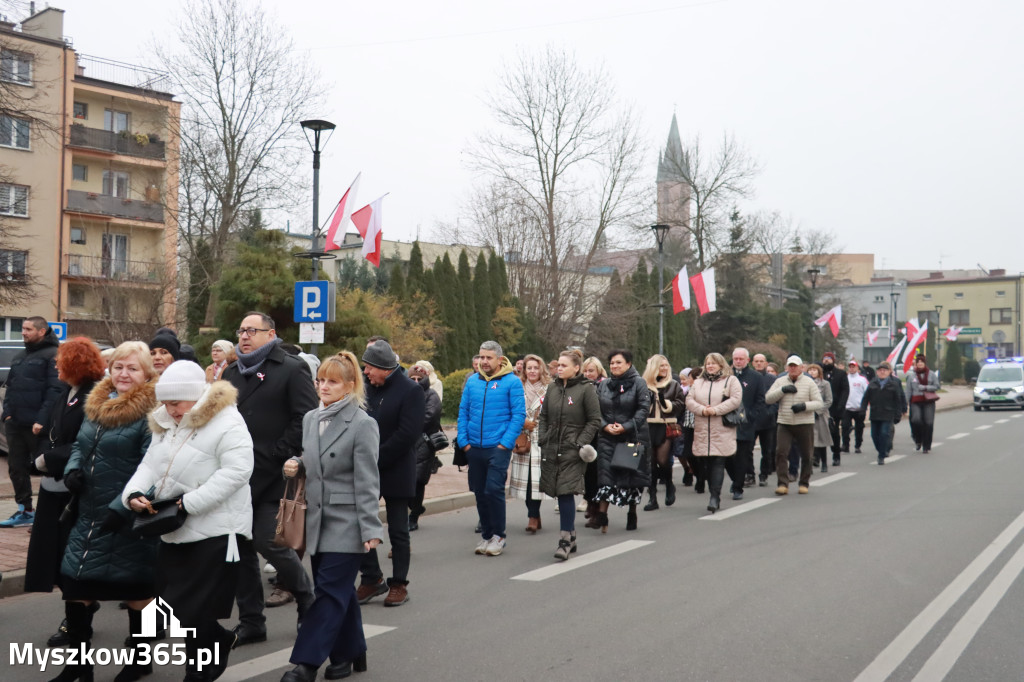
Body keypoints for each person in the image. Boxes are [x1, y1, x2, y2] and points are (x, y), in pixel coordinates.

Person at [122, 361, 254, 681]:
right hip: (175, 529)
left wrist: (189, 503)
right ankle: (216, 646)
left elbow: (237, 471)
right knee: (189, 612)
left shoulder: (227, 421)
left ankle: (198, 671)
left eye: (176, 403)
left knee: (186, 608)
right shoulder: (166, 420)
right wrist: (134, 493)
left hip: (217, 529)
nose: (171, 410)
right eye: (165, 403)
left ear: (196, 396)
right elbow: (150, 465)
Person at [54, 341, 161, 682]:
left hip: (128, 514)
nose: (124, 373)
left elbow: (155, 467)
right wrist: (72, 468)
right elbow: (82, 444)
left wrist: (122, 506)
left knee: (137, 592)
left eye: (132, 368)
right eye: (118, 367)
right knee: (75, 586)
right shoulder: (98, 402)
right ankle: (78, 666)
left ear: (146, 373)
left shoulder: (152, 413)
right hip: (87, 511)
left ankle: (140, 661)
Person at [279, 353, 384, 682]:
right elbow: (317, 459)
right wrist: (298, 463)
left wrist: (370, 528)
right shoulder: (311, 418)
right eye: (320, 380)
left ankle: (306, 664)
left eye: (332, 381)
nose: (323, 386)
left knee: (327, 592)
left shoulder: (363, 424)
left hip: (348, 521)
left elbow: (368, 481)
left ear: (350, 386)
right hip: (316, 520)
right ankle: (351, 651)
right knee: (339, 591)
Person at [223, 311, 318, 646]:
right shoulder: (232, 371)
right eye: (241, 330)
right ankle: (252, 621)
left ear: (270, 333)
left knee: (267, 539)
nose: (245, 336)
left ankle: (306, 598)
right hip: (237, 474)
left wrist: (281, 451)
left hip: (275, 472)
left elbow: (305, 415)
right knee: (241, 548)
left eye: (252, 330)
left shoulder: (291, 368)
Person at [26, 338, 105, 648]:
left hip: (75, 488)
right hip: (52, 486)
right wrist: (42, 456)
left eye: (61, 360)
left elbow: (88, 441)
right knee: (52, 556)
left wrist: (50, 460)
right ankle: (81, 608)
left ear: (76, 363)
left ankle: (76, 619)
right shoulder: (66, 393)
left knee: (71, 560)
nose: (56, 364)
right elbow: (51, 433)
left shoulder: (93, 396)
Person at [355, 340, 424, 607]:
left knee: (398, 529)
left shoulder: (410, 390)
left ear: (384, 367)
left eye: (369, 367)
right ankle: (371, 578)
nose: (366, 372)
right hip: (366, 468)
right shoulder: (365, 386)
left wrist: (375, 458)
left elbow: (408, 435)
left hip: (395, 468)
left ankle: (399, 584)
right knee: (361, 524)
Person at [458, 340, 526, 556]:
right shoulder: (472, 382)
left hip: (497, 448)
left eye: (488, 357)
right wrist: (464, 442)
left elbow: (518, 415)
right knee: (479, 492)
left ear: (499, 359)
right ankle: (486, 535)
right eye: (481, 357)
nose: (483, 361)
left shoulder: (512, 382)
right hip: (473, 447)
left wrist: (504, 444)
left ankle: (499, 536)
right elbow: (463, 412)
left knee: (493, 490)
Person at [538, 349, 601, 560]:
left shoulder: (586, 390)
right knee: (555, 490)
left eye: (564, 365)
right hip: (551, 447)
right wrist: (543, 437)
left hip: (573, 451)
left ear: (576, 368)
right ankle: (572, 534)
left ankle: (564, 540)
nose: (559, 369)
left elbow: (594, 420)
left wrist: (579, 443)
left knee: (565, 492)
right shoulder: (552, 388)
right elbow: (544, 415)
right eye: (558, 365)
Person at [1, 316, 62, 527]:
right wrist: (6, 414)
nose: (23, 332)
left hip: (38, 427)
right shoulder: (20, 356)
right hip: (15, 423)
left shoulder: (53, 355)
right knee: (16, 467)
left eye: (28, 329)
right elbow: (10, 388)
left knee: (46, 467)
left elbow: (54, 391)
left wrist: (41, 420)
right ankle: (24, 511)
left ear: (42, 331)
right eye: (23, 329)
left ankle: (51, 513)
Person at [593, 349, 651, 532]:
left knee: (630, 478)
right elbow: (595, 409)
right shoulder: (604, 384)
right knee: (606, 476)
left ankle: (632, 512)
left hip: (632, 436)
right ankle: (602, 515)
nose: (614, 366)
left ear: (628, 364)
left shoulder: (639, 383)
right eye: (611, 363)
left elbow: (643, 408)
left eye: (618, 362)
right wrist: (604, 426)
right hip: (607, 437)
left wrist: (625, 426)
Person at [686, 353, 743, 513]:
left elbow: (735, 399)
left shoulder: (731, 380)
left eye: (713, 363)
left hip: (722, 427)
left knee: (718, 461)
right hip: (703, 428)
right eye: (708, 363)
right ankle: (713, 492)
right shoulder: (698, 382)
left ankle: (714, 496)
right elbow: (689, 400)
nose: (710, 366)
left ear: (721, 365)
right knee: (707, 463)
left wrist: (716, 410)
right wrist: (703, 410)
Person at [765, 356, 823, 495]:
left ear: (801, 367)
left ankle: (804, 482)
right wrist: (782, 390)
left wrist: (804, 406)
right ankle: (782, 483)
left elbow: (819, 403)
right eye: (790, 366)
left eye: (795, 366)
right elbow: (768, 398)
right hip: (785, 422)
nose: (793, 368)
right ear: (786, 367)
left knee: (807, 454)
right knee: (781, 452)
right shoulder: (780, 381)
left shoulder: (809, 382)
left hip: (804, 423)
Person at [512, 354, 550, 533]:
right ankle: (533, 514)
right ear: (524, 370)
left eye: (536, 368)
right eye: (529, 368)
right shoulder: (517, 387)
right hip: (521, 438)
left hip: (540, 438)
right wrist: (522, 423)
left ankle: (533, 516)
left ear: (541, 369)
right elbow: (509, 410)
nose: (533, 371)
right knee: (524, 482)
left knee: (536, 481)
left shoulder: (549, 388)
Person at [641, 354, 685, 511]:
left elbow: (681, 404)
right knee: (650, 463)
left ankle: (669, 485)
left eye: (666, 365)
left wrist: (665, 403)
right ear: (653, 367)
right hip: (648, 426)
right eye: (661, 366)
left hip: (666, 425)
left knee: (663, 460)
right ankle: (652, 498)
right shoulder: (643, 384)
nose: (665, 368)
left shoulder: (673, 385)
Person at [729, 348, 766, 499]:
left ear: (747, 360)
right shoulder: (727, 375)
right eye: (735, 359)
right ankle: (735, 478)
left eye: (741, 359)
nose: (738, 361)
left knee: (743, 456)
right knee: (728, 457)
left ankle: (738, 487)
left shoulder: (756, 377)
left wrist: (751, 416)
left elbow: (760, 400)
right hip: (727, 423)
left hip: (746, 424)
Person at [861, 361, 907, 465]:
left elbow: (898, 400)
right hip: (875, 413)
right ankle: (880, 449)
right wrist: (862, 409)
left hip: (888, 414)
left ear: (888, 372)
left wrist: (898, 413)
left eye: (884, 370)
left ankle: (882, 455)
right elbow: (865, 398)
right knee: (874, 435)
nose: (882, 372)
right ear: (877, 372)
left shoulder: (893, 385)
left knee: (884, 433)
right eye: (880, 370)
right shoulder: (872, 384)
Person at [581, 357, 608, 526]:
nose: (588, 373)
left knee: (599, 473)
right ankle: (590, 504)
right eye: (585, 370)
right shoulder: (580, 386)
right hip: (584, 434)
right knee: (586, 473)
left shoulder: (606, 386)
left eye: (591, 370)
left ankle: (599, 510)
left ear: (598, 371)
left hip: (601, 434)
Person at [752, 354, 778, 487]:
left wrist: (771, 411)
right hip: (751, 420)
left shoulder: (772, 379)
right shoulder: (749, 377)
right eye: (756, 361)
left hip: (768, 420)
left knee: (767, 450)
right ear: (752, 363)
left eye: (761, 361)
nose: (759, 364)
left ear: (766, 363)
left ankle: (764, 474)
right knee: (746, 450)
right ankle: (749, 474)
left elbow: (777, 397)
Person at [905, 355, 940, 453]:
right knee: (916, 419)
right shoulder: (912, 376)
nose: (920, 363)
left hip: (928, 401)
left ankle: (926, 445)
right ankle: (918, 439)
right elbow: (908, 391)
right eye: (918, 362)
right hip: (916, 401)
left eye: (922, 362)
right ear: (916, 364)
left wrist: (925, 387)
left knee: (928, 423)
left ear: (925, 363)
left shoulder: (932, 374)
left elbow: (937, 386)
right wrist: (905, 403)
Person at [820, 352, 849, 466]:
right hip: (821, 408)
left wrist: (841, 406)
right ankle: (818, 457)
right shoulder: (820, 373)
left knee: (834, 432)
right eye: (825, 359)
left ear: (833, 360)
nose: (826, 361)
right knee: (818, 433)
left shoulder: (841, 374)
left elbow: (845, 390)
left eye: (828, 359)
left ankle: (836, 454)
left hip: (835, 408)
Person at [806, 364, 834, 473]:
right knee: (809, 442)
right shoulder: (805, 383)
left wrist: (818, 411)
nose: (812, 372)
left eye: (814, 370)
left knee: (821, 441)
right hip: (808, 414)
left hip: (821, 416)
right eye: (810, 370)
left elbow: (828, 400)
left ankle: (824, 463)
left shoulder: (825, 384)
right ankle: (810, 464)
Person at [842, 360, 869, 454]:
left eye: (853, 367)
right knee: (845, 427)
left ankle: (858, 445)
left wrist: (865, 406)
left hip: (859, 408)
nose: (852, 368)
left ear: (857, 368)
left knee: (859, 428)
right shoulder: (845, 379)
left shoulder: (862, 380)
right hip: (847, 408)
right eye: (850, 367)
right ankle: (845, 445)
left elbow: (867, 393)